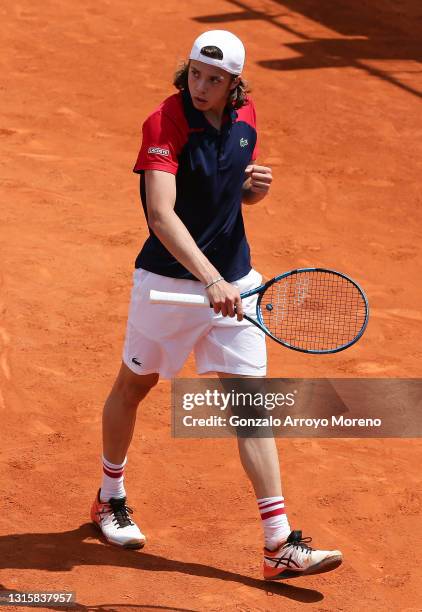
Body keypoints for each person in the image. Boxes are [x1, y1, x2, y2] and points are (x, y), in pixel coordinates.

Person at [90, 30, 342, 580]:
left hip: (236, 283)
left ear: (234, 84)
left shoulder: (246, 116)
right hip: (170, 285)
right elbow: (161, 214)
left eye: (214, 80)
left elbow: (229, 191)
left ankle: (279, 543)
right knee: (135, 387)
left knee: (251, 407)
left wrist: (254, 191)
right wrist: (207, 279)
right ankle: (110, 496)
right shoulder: (165, 122)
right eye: (195, 75)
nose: (200, 87)